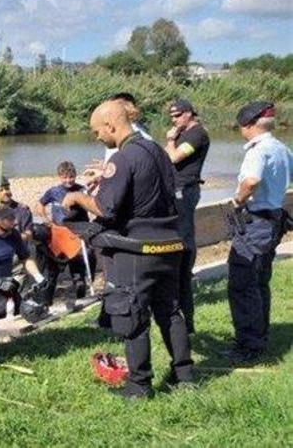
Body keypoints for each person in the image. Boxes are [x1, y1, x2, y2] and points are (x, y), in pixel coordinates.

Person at [62, 98, 193, 399]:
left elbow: (106, 208)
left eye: (97, 131)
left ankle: (139, 386)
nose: (96, 136)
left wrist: (78, 199)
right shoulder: (158, 151)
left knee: (131, 314)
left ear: (110, 125)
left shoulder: (123, 157)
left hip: (137, 250)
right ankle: (184, 376)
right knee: (170, 312)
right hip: (169, 243)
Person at [225, 102, 292, 364]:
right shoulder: (282, 149)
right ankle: (258, 336)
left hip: (256, 222)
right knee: (260, 281)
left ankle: (249, 346)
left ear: (248, 126)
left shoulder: (258, 150)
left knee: (242, 283)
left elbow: (251, 180)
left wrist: (238, 201)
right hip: (273, 219)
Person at [163, 99, 210, 334]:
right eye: (171, 116)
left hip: (186, 190)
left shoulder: (197, 134)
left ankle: (185, 270)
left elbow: (173, 157)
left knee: (184, 235)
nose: (174, 120)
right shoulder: (184, 132)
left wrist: (171, 139)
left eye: (178, 115)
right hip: (177, 190)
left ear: (190, 113)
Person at [34, 161, 91, 305]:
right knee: (52, 270)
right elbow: (40, 205)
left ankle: (81, 298)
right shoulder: (53, 192)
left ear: (75, 176)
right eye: (65, 177)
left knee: (77, 270)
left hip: (76, 233)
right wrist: (46, 219)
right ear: (59, 177)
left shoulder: (81, 190)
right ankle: (46, 302)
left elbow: (92, 204)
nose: (68, 180)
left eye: (71, 177)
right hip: (58, 234)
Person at [0, 176, 33, 240]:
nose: (5, 192)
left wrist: (12, 236)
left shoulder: (22, 209)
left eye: (7, 188)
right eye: (1, 190)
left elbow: (29, 234)